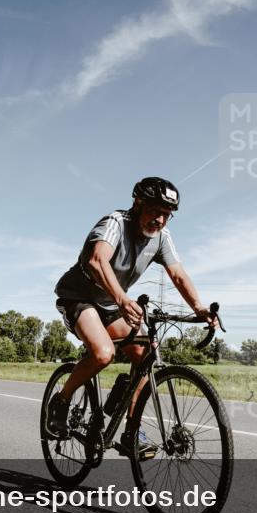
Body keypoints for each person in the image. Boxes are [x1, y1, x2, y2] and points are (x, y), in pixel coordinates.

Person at [46, 177, 216, 454]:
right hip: (79, 297)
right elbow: (97, 260)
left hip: (112, 304)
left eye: (166, 214)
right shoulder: (115, 223)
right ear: (138, 204)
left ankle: (131, 432)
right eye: (154, 211)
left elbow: (177, 274)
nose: (159, 219)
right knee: (102, 354)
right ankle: (62, 400)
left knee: (146, 354)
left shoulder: (162, 237)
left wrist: (199, 307)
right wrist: (123, 299)